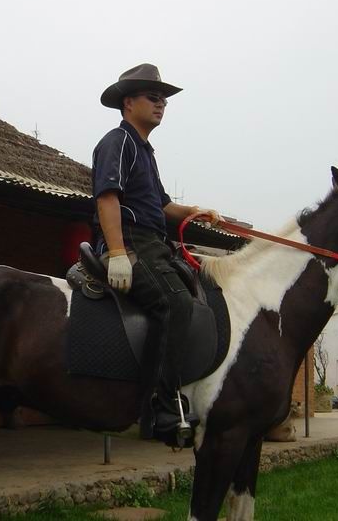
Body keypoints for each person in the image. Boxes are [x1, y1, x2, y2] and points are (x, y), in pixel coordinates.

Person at [92, 63, 220, 442]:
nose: (162, 103)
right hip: (130, 240)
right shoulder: (117, 142)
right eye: (153, 97)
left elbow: (163, 207)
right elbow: (108, 198)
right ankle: (162, 407)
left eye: (164, 98)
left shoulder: (145, 151)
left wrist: (196, 211)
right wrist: (116, 251)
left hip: (152, 241)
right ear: (128, 102)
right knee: (175, 303)